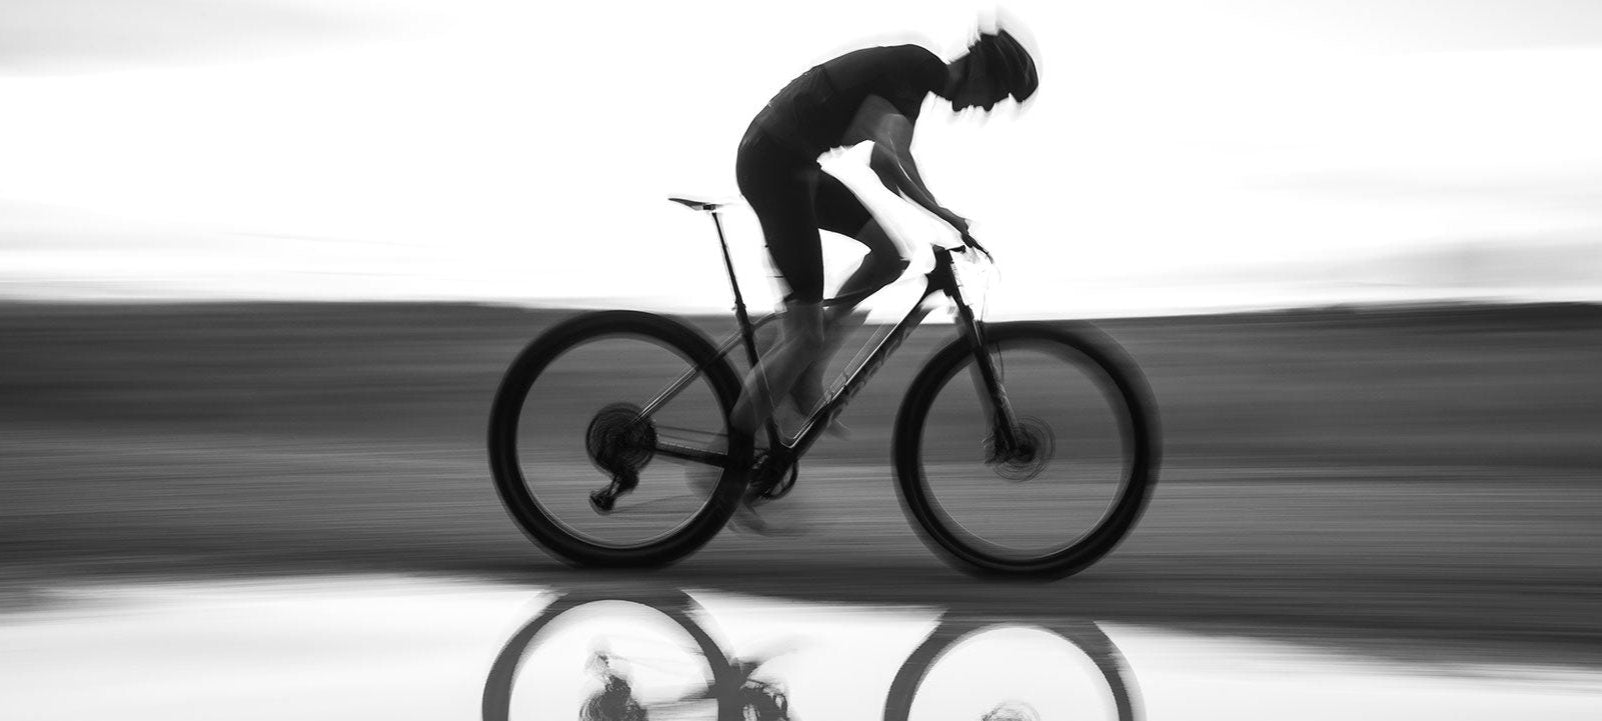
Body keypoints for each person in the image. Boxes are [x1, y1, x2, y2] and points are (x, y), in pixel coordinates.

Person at [731, 29, 1039, 446]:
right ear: (979, 72)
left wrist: (939, 212)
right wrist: (941, 213)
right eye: (995, 96)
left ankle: (806, 362)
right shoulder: (917, 69)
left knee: (888, 258)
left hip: (793, 164)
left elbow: (892, 156)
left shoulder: (917, 80)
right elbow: (886, 163)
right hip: (774, 165)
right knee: (804, 336)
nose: (984, 108)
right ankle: (729, 465)